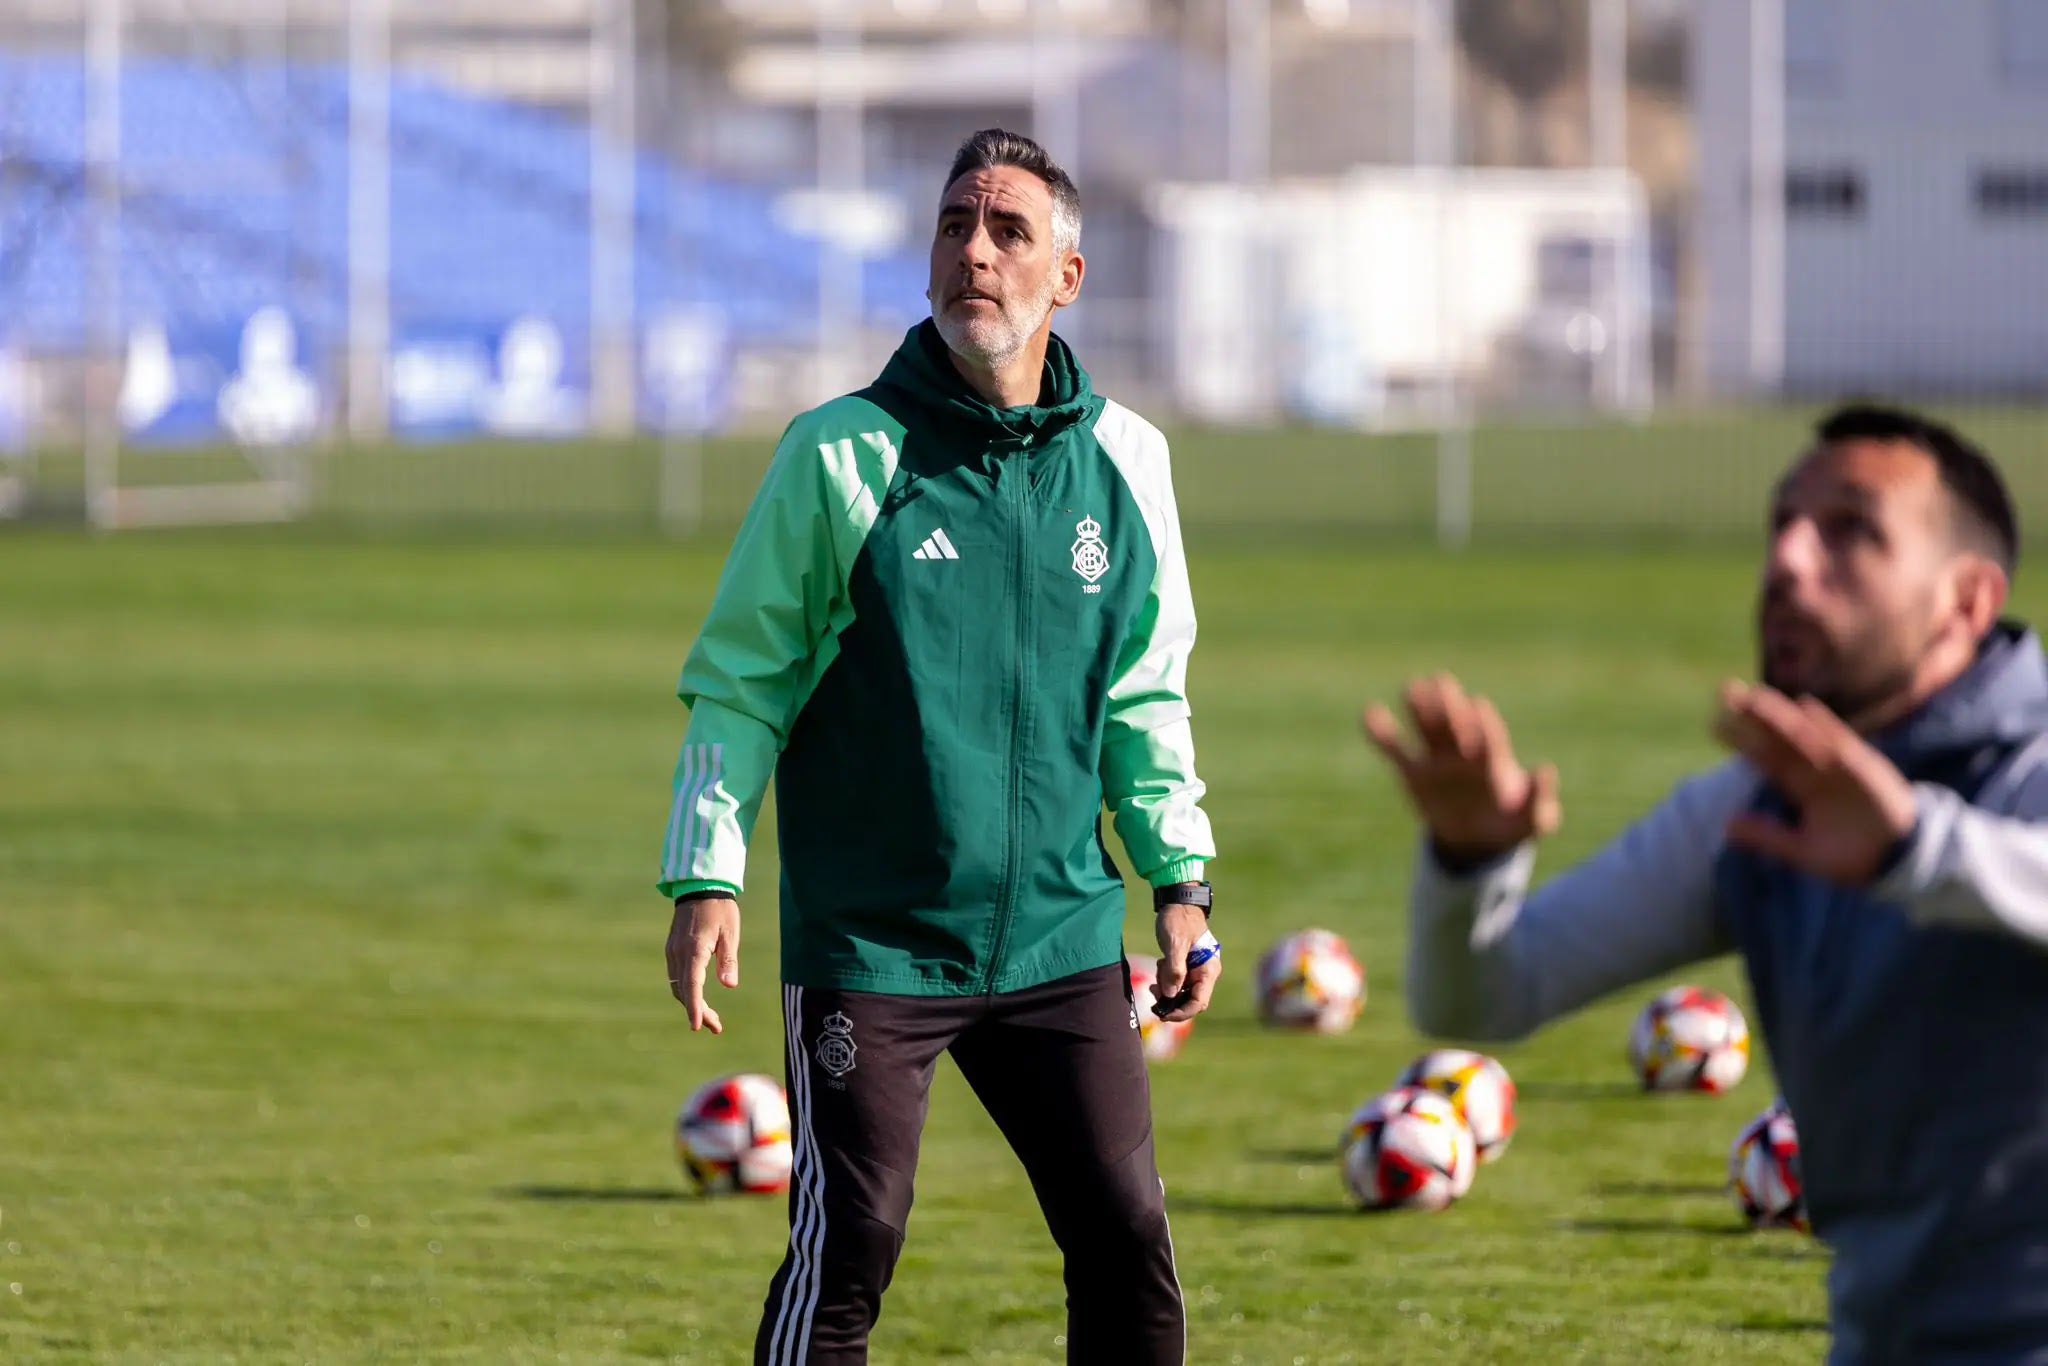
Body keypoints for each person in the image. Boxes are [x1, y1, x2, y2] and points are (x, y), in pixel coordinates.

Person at [656, 129, 1219, 1366]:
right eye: (955, 226)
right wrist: (708, 871)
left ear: (1064, 275)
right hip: (874, 943)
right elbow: (739, 681)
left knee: (1128, 1245)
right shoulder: (838, 453)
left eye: (1009, 231)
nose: (975, 251)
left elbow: (1142, 696)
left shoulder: (1128, 465)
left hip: (1063, 939)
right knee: (847, 1247)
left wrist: (1180, 884)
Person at [1366, 404, 2048, 1364]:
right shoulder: (1757, 808)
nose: (1790, 561)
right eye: (1783, 523)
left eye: (1852, 529)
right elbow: (1481, 994)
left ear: (1968, 601)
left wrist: (1912, 846)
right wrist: (1471, 864)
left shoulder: (2030, 765)